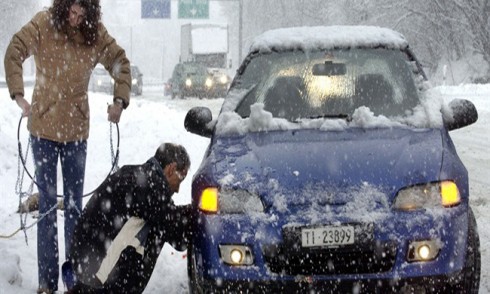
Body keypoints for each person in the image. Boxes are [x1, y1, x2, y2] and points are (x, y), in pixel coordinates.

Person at [4, 1, 131, 293]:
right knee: (48, 206)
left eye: (81, 14)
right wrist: (19, 96)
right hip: (43, 131)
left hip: (76, 132)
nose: (75, 19)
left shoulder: (94, 34)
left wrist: (119, 101)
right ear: (63, 8)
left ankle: (75, 282)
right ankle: (46, 284)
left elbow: (120, 62)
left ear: (89, 14)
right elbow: (14, 50)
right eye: (72, 12)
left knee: (75, 208)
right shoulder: (43, 23)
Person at [67, 143, 192, 293]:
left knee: (155, 223)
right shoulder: (150, 188)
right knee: (158, 229)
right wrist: (199, 211)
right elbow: (177, 235)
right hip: (95, 270)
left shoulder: (136, 173)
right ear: (171, 169)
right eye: (179, 181)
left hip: (82, 256)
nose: (178, 190)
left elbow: (168, 214)